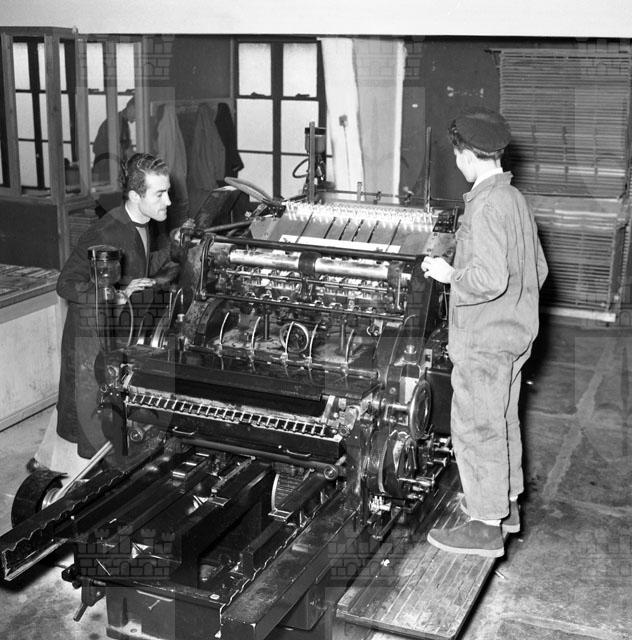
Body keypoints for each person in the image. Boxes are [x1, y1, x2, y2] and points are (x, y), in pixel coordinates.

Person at [421, 106, 548, 558]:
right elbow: (538, 268)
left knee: (476, 425)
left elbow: (490, 278)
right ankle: (505, 506)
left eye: (458, 156)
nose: (458, 163)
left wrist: (449, 274)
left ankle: (485, 525)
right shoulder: (513, 199)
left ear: (468, 156)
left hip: (484, 340)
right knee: (503, 419)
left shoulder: (486, 204)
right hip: (513, 334)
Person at [30, 153, 179, 478]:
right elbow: (66, 283)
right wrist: (119, 293)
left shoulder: (142, 221)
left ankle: (47, 461)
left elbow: (138, 263)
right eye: (160, 194)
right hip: (90, 336)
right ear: (135, 196)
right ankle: (61, 479)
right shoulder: (106, 231)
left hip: (113, 330)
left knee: (82, 409)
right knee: (84, 415)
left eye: (167, 191)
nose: (168, 201)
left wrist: (178, 249)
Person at [92, 96, 136, 183]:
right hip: (105, 170)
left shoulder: (122, 123)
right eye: (137, 113)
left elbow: (126, 148)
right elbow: (124, 150)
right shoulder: (116, 123)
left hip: (109, 168)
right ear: (131, 107)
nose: (136, 118)